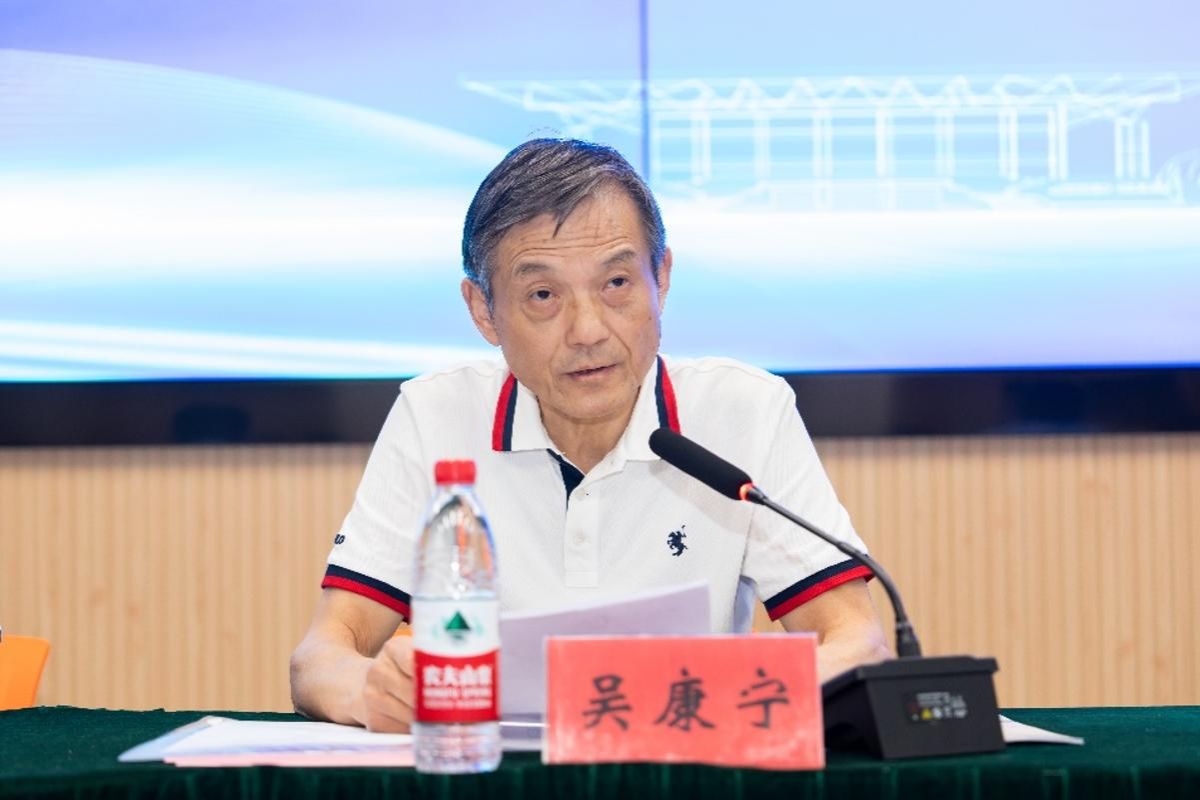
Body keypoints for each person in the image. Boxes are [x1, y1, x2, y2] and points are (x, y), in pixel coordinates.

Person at [290, 138, 890, 732]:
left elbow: (857, 643)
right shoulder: (435, 415)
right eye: (543, 295)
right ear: (482, 310)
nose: (588, 331)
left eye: (617, 284)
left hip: (682, 767)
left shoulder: (745, 410)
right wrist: (372, 691)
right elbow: (321, 657)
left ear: (662, 278)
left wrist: (712, 695)